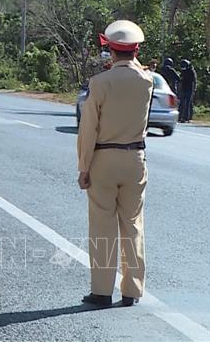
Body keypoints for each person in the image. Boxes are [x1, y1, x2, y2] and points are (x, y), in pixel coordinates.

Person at [77, 20, 153, 308]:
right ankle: (132, 290)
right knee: (133, 224)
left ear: (110, 51)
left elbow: (89, 130)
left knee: (102, 225)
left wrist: (84, 167)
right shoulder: (146, 81)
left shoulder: (100, 83)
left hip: (104, 158)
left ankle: (101, 291)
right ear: (135, 50)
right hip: (136, 158)